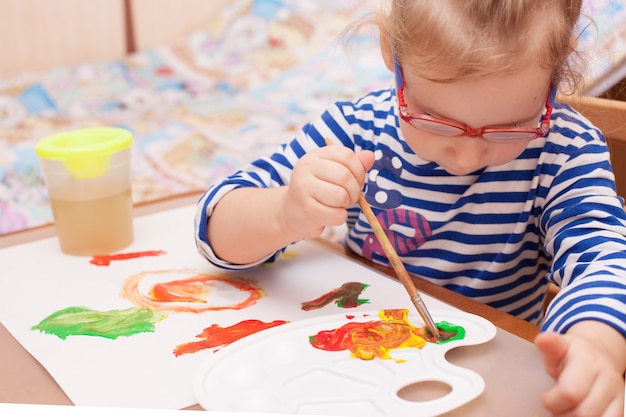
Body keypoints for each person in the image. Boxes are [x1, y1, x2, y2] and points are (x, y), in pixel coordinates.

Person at [195, 1, 626, 415]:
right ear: (391, 52)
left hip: (486, 381)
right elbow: (215, 230)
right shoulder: (354, 130)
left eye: (509, 127)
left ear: (556, 69)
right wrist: (283, 212)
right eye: (434, 119)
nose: (466, 157)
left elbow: (607, 260)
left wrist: (596, 346)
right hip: (355, 367)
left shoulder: (565, 151)